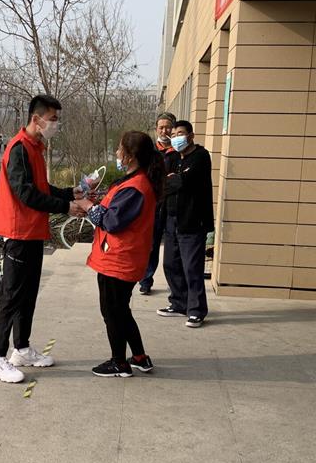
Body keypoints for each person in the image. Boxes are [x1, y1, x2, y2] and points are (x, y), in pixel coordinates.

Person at [0, 94, 85, 384]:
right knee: (11, 296)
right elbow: (25, 194)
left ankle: (22, 349)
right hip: (18, 233)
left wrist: (68, 193)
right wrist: (65, 207)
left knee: (27, 295)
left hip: (32, 233)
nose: (56, 124)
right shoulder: (18, 148)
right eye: (53, 119)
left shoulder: (34, 148)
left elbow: (41, 186)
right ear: (36, 119)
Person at [74, 131, 164, 377]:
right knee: (122, 310)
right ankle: (139, 357)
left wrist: (87, 206)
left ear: (130, 155)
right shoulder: (134, 181)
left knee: (112, 313)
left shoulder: (136, 187)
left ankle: (119, 363)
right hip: (122, 257)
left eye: (119, 149)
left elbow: (112, 222)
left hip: (119, 260)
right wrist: (95, 203)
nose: (116, 153)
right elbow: (114, 210)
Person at [158, 119, 213, 327]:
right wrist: (173, 180)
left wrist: (175, 179)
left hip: (192, 221)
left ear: (191, 135)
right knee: (171, 264)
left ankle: (196, 310)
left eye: (180, 134)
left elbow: (185, 181)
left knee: (192, 267)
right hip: (172, 219)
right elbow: (164, 183)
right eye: (173, 135)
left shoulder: (200, 156)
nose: (176, 138)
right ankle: (179, 303)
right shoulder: (173, 157)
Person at [139, 112, 176, 295]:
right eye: (161, 127)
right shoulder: (149, 152)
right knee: (151, 244)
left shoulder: (179, 151)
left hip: (173, 204)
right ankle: (146, 280)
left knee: (173, 246)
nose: (164, 131)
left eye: (168, 127)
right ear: (156, 129)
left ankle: (175, 284)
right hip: (154, 204)